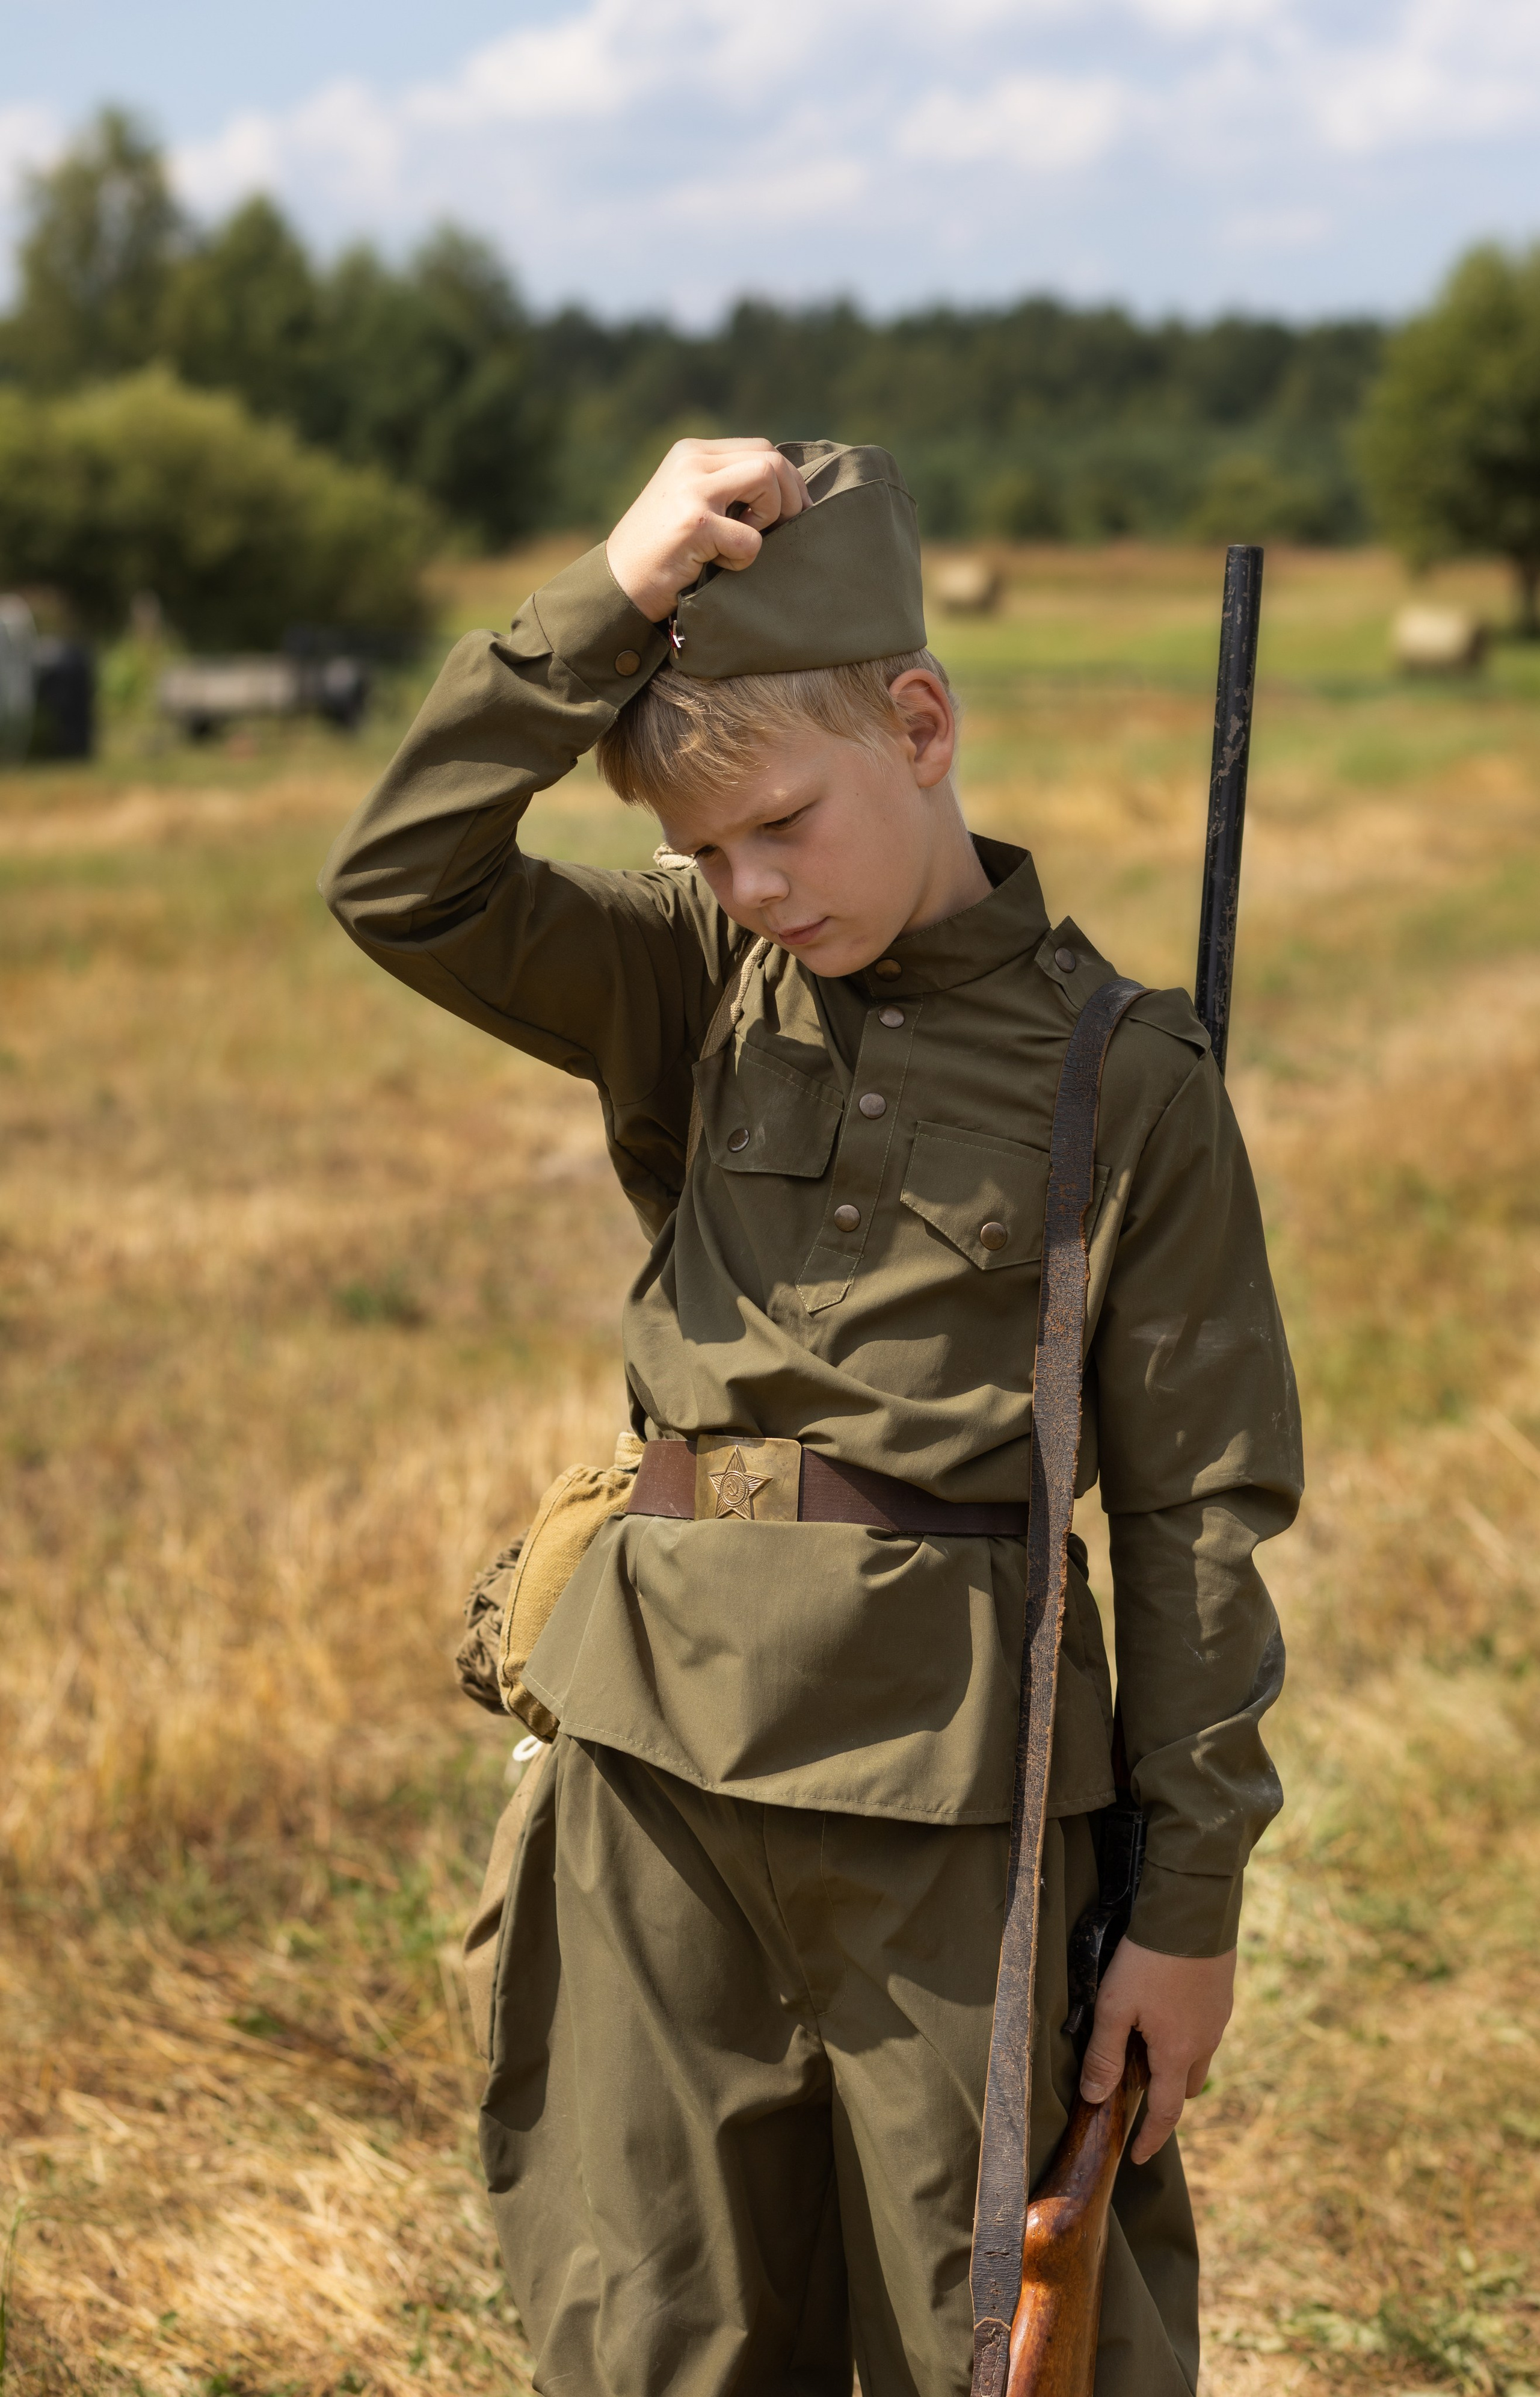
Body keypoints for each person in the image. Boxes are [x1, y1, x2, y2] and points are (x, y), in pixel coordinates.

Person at [319, 437, 1302, 2397]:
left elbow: (1198, 1516)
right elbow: (398, 882)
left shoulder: (1132, 1078)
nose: (751, 888)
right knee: (651, 2324)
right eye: (705, 857)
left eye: (779, 825)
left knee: (991, 2343)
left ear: (921, 726)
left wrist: (1184, 1918)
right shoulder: (701, 976)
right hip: (648, 1756)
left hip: (954, 1809)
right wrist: (598, 604)